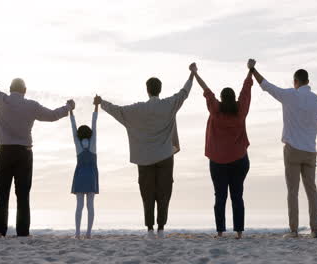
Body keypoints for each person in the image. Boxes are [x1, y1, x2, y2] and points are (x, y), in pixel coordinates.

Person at [0, 54, 75, 238]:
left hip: (4, 152)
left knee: (1, 194)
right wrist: (68, 107)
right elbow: (52, 115)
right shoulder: (31, 105)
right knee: (23, 196)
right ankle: (22, 233)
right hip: (24, 154)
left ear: (10, 88)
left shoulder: (1, 99)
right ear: (25, 90)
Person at [94, 63, 195, 239]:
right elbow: (184, 93)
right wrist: (192, 74)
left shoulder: (138, 109)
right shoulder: (168, 105)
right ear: (159, 90)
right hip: (165, 156)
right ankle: (161, 227)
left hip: (145, 158)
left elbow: (117, 111)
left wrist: (101, 102)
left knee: (147, 193)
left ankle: (150, 228)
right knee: (164, 192)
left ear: (147, 90)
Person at [249, 60, 317, 238]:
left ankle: (294, 230)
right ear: (308, 81)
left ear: (295, 81)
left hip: (292, 150)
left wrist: (252, 69)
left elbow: (266, 85)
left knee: (293, 192)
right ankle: (314, 230)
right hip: (310, 152)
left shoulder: (290, 95)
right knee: (311, 191)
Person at [192, 61, 253, 239]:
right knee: (237, 196)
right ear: (233, 99)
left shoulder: (215, 110)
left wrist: (195, 73)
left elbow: (206, 90)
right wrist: (250, 71)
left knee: (220, 197)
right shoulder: (240, 110)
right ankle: (239, 232)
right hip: (239, 160)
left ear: (221, 98)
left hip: (218, 162)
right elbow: (246, 91)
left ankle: (220, 232)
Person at [69, 97, 100, 239]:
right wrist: (96, 106)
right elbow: (94, 122)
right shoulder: (93, 144)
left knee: (79, 206)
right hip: (92, 175)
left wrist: (71, 112)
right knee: (90, 206)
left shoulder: (78, 145)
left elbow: (73, 128)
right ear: (90, 134)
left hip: (80, 176)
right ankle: (88, 233)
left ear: (79, 136)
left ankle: (77, 233)